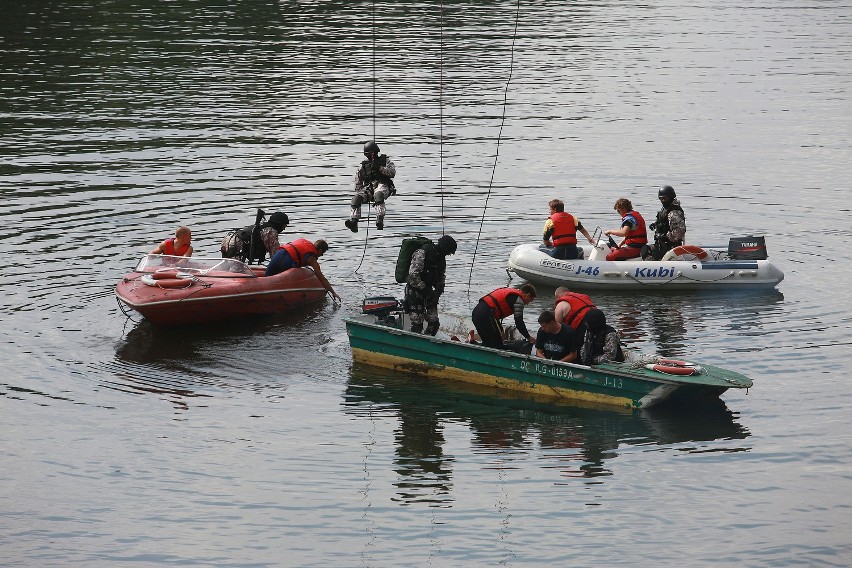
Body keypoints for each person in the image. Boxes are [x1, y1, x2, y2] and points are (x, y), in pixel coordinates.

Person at [404, 235, 457, 335]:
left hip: (430, 294)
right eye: (448, 252)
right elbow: (412, 275)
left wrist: (437, 293)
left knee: (434, 324)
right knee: (417, 325)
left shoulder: (441, 259)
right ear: (443, 248)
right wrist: (424, 289)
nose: (448, 255)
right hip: (415, 292)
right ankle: (412, 346)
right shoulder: (422, 253)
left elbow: (441, 277)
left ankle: (426, 345)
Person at [265, 238, 341, 301]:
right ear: (320, 250)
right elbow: (322, 278)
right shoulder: (312, 258)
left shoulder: (304, 242)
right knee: (281, 285)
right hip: (287, 261)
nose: (321, 255)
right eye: (322, 253)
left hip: (278, 255)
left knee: (266, 278)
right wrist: (333, 292)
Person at [345, 141, 396, 232]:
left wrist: (380, 168)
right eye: (369, 154)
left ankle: (380, 219)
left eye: (373, 154)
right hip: (370, 187)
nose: (372, 156)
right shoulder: (363, 166)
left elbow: (392, 173)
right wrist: (363, 195)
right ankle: (354, 221)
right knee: (356, 199)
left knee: (378, 194)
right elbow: (358, 183)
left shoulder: (385, 160)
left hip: (383, 185)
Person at [471, 283, 537, 351]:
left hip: (476, 312)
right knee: (498, 346)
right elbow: (519, 322)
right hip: (486, 315)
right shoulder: (519, 300)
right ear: (528, 295)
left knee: (488, 343)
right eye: (529, 300)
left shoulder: (512, 293)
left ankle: (472, 341)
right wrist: (529, 338)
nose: (527, 303)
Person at [220, 211, 289, 264]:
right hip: (236, 244)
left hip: (228, 239)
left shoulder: (262, 227)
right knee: (235, 271)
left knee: (226, 266)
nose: (284, 229)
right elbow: (275, 254)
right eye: (284, 226)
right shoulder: (270, 232)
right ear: (279, 224)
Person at [643, 185, 686, 260]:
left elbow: (680, 231)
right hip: (663, 244)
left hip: (671, 246)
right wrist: (656, 225)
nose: (662, 201)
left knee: (646, 250)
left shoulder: (674, 212)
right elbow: (665, 223)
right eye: (661, 199)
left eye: (665, 198)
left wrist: (664, 236)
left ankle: (653, 268)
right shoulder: (666, 209)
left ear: (671, 197)